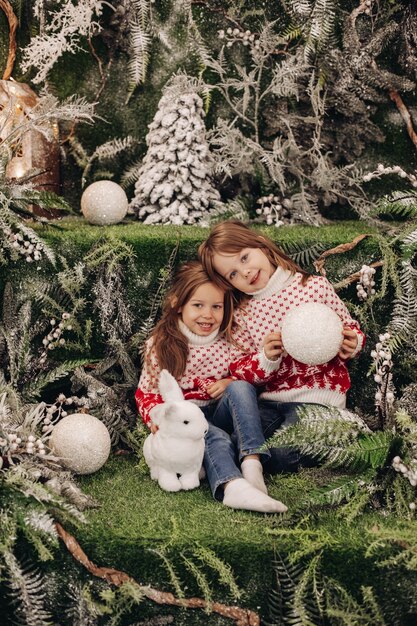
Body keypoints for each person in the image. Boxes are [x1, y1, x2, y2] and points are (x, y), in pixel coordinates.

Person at [198, 220, 365, 472]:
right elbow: (239, 368)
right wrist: (266, 358)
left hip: (317, 401)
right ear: (229, 284)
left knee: (284, 454)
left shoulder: (313, 287)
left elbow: (348, 327)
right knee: (239, 441)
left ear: (262, 246)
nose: (244, 272)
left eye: (244, 258)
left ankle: (342, 427)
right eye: (232, 274)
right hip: (269, 403)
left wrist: (352, 343)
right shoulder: (244, 313)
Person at [136, 260, 287, 513]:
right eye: (198, 305)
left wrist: (234, 378)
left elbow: (252, 373)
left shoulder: (231, 338)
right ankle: (233, 487)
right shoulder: (161, 344)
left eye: (216, 307)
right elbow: (147, 393)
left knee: (240, 387)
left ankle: (252, 462)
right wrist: (159, 420)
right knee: (213, 438)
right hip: (189, 423)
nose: (208, 315)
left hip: (222, 411)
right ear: (178, 303)